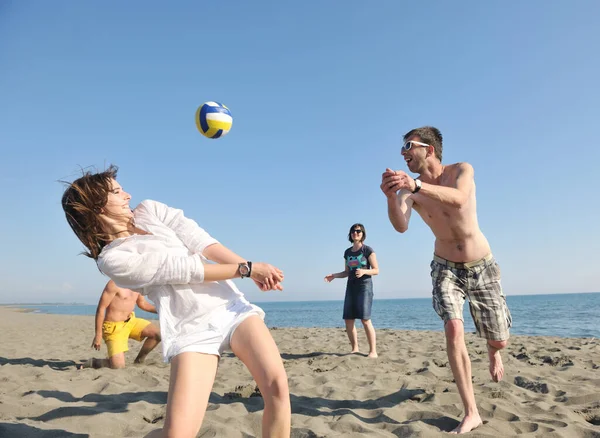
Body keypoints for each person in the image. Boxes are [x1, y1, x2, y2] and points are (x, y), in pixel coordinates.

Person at [61, 165, 291, 438]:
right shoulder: (112, 259)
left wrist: (250, 268)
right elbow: (184, 270)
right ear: (96, 206)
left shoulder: (150, 210)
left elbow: (203, 242)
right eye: (117, 191)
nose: (128, 194)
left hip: (230, 308)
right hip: (190, 330)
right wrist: (248, 270)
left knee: (276, 386)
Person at [380, 126, 512, 434]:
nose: (402, 153)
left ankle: (494, 351)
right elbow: (400, 226)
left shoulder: (461, 171)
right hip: (445, 267)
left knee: (500, 338)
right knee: (453, 328)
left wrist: (415, 186)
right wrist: (391, 197)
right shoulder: (410, 190)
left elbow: (459, 200)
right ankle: (471, 411)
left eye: (408, 146)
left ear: (429, 149)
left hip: (482, 265)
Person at [324, 223, 379, 358]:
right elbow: (347, 272)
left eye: (358, 231)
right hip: (351, 287)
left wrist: (364, 271)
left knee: (365, 319)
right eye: (353, 231)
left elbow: (377, 270)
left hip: (364, 286)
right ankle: (355, 348)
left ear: (362, 234)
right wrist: (334, 276)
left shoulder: (368, 250)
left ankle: (373, 351)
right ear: (350, 234)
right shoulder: (347, 252)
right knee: (349, 319)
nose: (356, 233)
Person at [81, 279, 161, 369]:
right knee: (118, 366)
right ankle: (94, 362)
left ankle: (139, 360)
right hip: (114, 328)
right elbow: (101, 308)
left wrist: (162, 311)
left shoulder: (138, 283)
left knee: (158, 334)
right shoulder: (114, 284)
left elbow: (142, 304)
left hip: (131, 321)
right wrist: (98, 334)